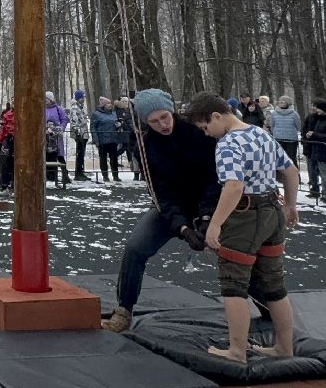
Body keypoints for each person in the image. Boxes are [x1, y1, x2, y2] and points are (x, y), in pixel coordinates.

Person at [188, 92, 298, 364]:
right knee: (274, 284)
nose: (206, 134)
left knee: (233, 283)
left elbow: (234, 186)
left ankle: (237, 350)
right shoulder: (260, 134)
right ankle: (285, 346)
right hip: (273, 210)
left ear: (216, 116)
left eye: (205, 127)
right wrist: (291, 205)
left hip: (245, 216)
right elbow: (290, 170)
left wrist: (215, 224)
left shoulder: (227, 144)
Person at [103, 89, 219, 333]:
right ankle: (124, 308)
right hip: (172, 207)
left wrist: (207, 216)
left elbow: (213, 178)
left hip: (210, 203)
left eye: (165, 117)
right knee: (135, 248)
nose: (162, 124)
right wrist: (183, 227)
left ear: (172, 112)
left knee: (233, 254)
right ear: (146, 122)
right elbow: (161, 195)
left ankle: (265, 302)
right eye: (154, 122)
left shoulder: (199, 132)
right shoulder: (145, 148)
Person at [302, 100, 326, 201]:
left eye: (318, 107)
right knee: (313, 171)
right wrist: (307, 136)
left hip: (322, 149)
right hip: (313, 148)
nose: (315, 109)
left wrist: (314, 135)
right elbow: (306, 129)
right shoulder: (315, 118)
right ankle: (315, 190)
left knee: (324, 172)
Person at [91, 97, 123, 181]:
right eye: (108, 103)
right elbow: (93, 128)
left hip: (113, 139)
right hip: (102, 140)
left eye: (110, 103)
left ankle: (115, 175)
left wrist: (118, 125)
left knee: (114, 158)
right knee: (103, 158)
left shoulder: (113, 113)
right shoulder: (96, 114)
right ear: (103, 105)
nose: (110, 105)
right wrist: (96, 140)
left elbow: (115, 123)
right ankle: (105, 176)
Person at [268, 96, 302, 164]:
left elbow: (298, 126)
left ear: (288, 102)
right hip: (278, 139)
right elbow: (272, 125)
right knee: (279, 159)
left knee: (291, 159)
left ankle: (293, 174)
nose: (281, 102)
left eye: (283, 100)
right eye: (280, 100)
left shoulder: (294, 114)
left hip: (291, 140)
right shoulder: (274, 113)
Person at [67, 91, 91, 181]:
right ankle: (78, 173)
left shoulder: (80, 107)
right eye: (81, 97)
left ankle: (81, 171)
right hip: (80, 134)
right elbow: (74, 120)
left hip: (83, 133)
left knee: (81, 154)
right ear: (77, 98)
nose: (83, 99)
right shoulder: (75, 107)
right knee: (80, 154)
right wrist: (77, 132)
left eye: (83, 97)